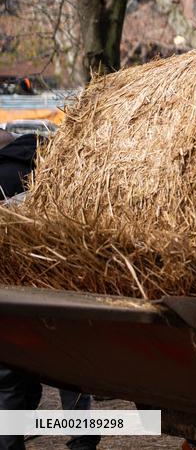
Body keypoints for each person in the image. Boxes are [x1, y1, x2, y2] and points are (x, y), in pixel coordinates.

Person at [0, 130, 100, 450]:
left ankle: (10, 441)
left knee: (10, 379)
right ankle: (82, 440)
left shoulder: (6, 184)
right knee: (70, 376)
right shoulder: (63, 182)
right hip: (61, 295)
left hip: (12, 299)